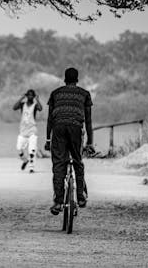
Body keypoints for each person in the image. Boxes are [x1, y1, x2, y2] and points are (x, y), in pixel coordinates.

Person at [45, 67, 94, 214]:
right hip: (76, 128)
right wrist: (90, 142)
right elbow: (88, 120)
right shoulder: (85, 94)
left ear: (65, 79)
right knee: (78, 161)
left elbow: (50, 120)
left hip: (58, 128)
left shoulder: (55, 93)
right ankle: (80, 197)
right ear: (77, 79)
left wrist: (48, 139)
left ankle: (58, 202)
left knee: (59, 164)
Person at [13, 89, 43, 173]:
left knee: (32, 150)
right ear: (26, 96)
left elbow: (40, 108)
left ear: (33, 96)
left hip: (32, 131)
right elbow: (14, 107)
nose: (30, 97)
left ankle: (31, 168)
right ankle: (25, 160)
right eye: (28, 95)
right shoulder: (23, 105)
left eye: (31, 95)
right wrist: (21, 98)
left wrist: (38, 100)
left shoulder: (35, 105)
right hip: (23, 131)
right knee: (19, 148)